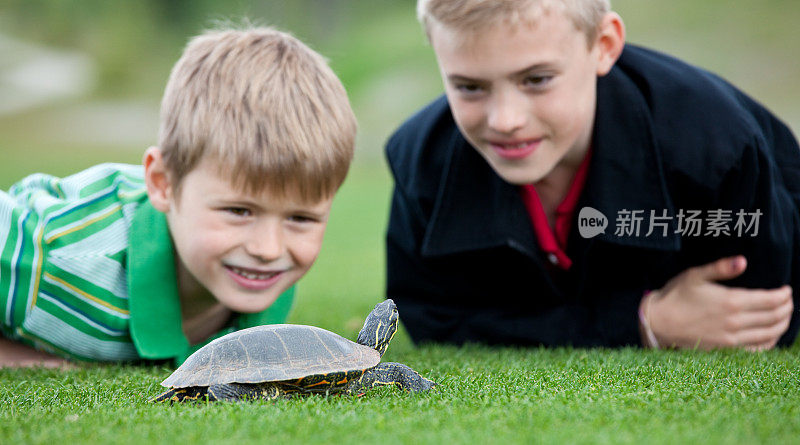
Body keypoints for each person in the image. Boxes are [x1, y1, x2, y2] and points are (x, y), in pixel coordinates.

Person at [385, 0, 800, 350]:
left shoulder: (716, 146)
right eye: (469, 87)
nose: (506, 120)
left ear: (604, 46)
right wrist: (643, 321)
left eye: (537, 79)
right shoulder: (420, 160)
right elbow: (431, 319)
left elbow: (762, 319)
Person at [0, 27, 357, 367]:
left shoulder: (263, 278)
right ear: (163, 184)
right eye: (239, 211)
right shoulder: (53, 260)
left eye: (300, 218)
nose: (269, 249)